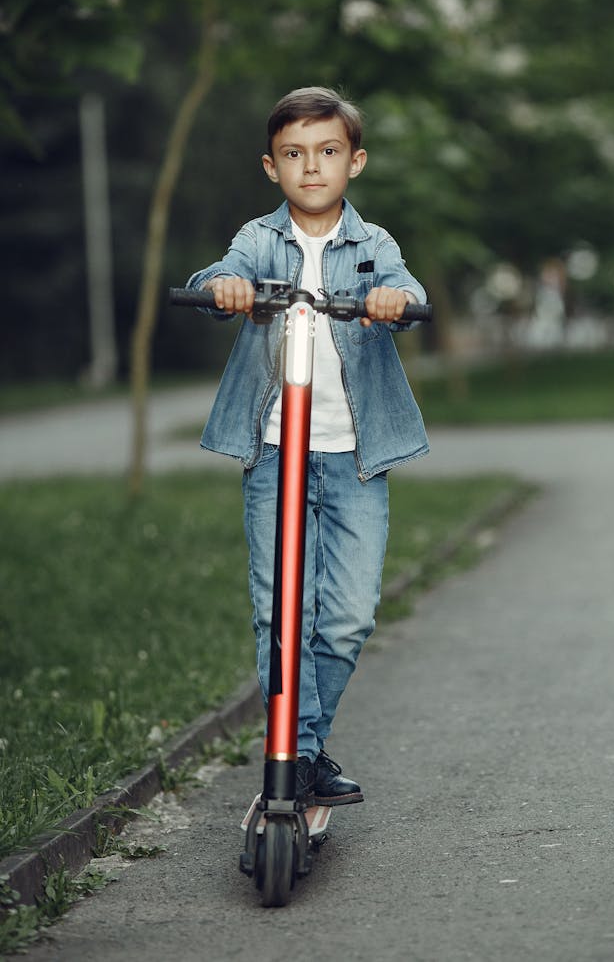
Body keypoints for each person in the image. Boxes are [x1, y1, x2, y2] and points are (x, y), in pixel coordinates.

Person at [186, 86, 429, 806]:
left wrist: (395, 300)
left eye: (327, 152)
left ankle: (304, 743)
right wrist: (225, 285)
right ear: (272, 167)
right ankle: (294, 754)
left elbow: (403, 286)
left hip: (355, 455)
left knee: (348, 613)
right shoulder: (260, 240)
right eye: (294, 155)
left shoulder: (373, 243)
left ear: (354, 161)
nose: (311, 168)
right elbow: (217, 271)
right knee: (281, 610)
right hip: (273, 450)